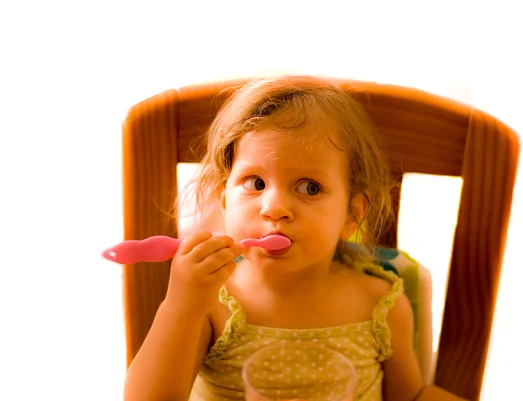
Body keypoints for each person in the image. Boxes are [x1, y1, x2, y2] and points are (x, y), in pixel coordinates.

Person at [124, 75, 466, 401]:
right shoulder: (210, 304)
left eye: (309, 188)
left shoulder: (379, 305)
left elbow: (410, 398)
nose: (274, 208)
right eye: (256, 184)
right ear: (225, 200)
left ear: (352, 214)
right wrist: (181, 305)